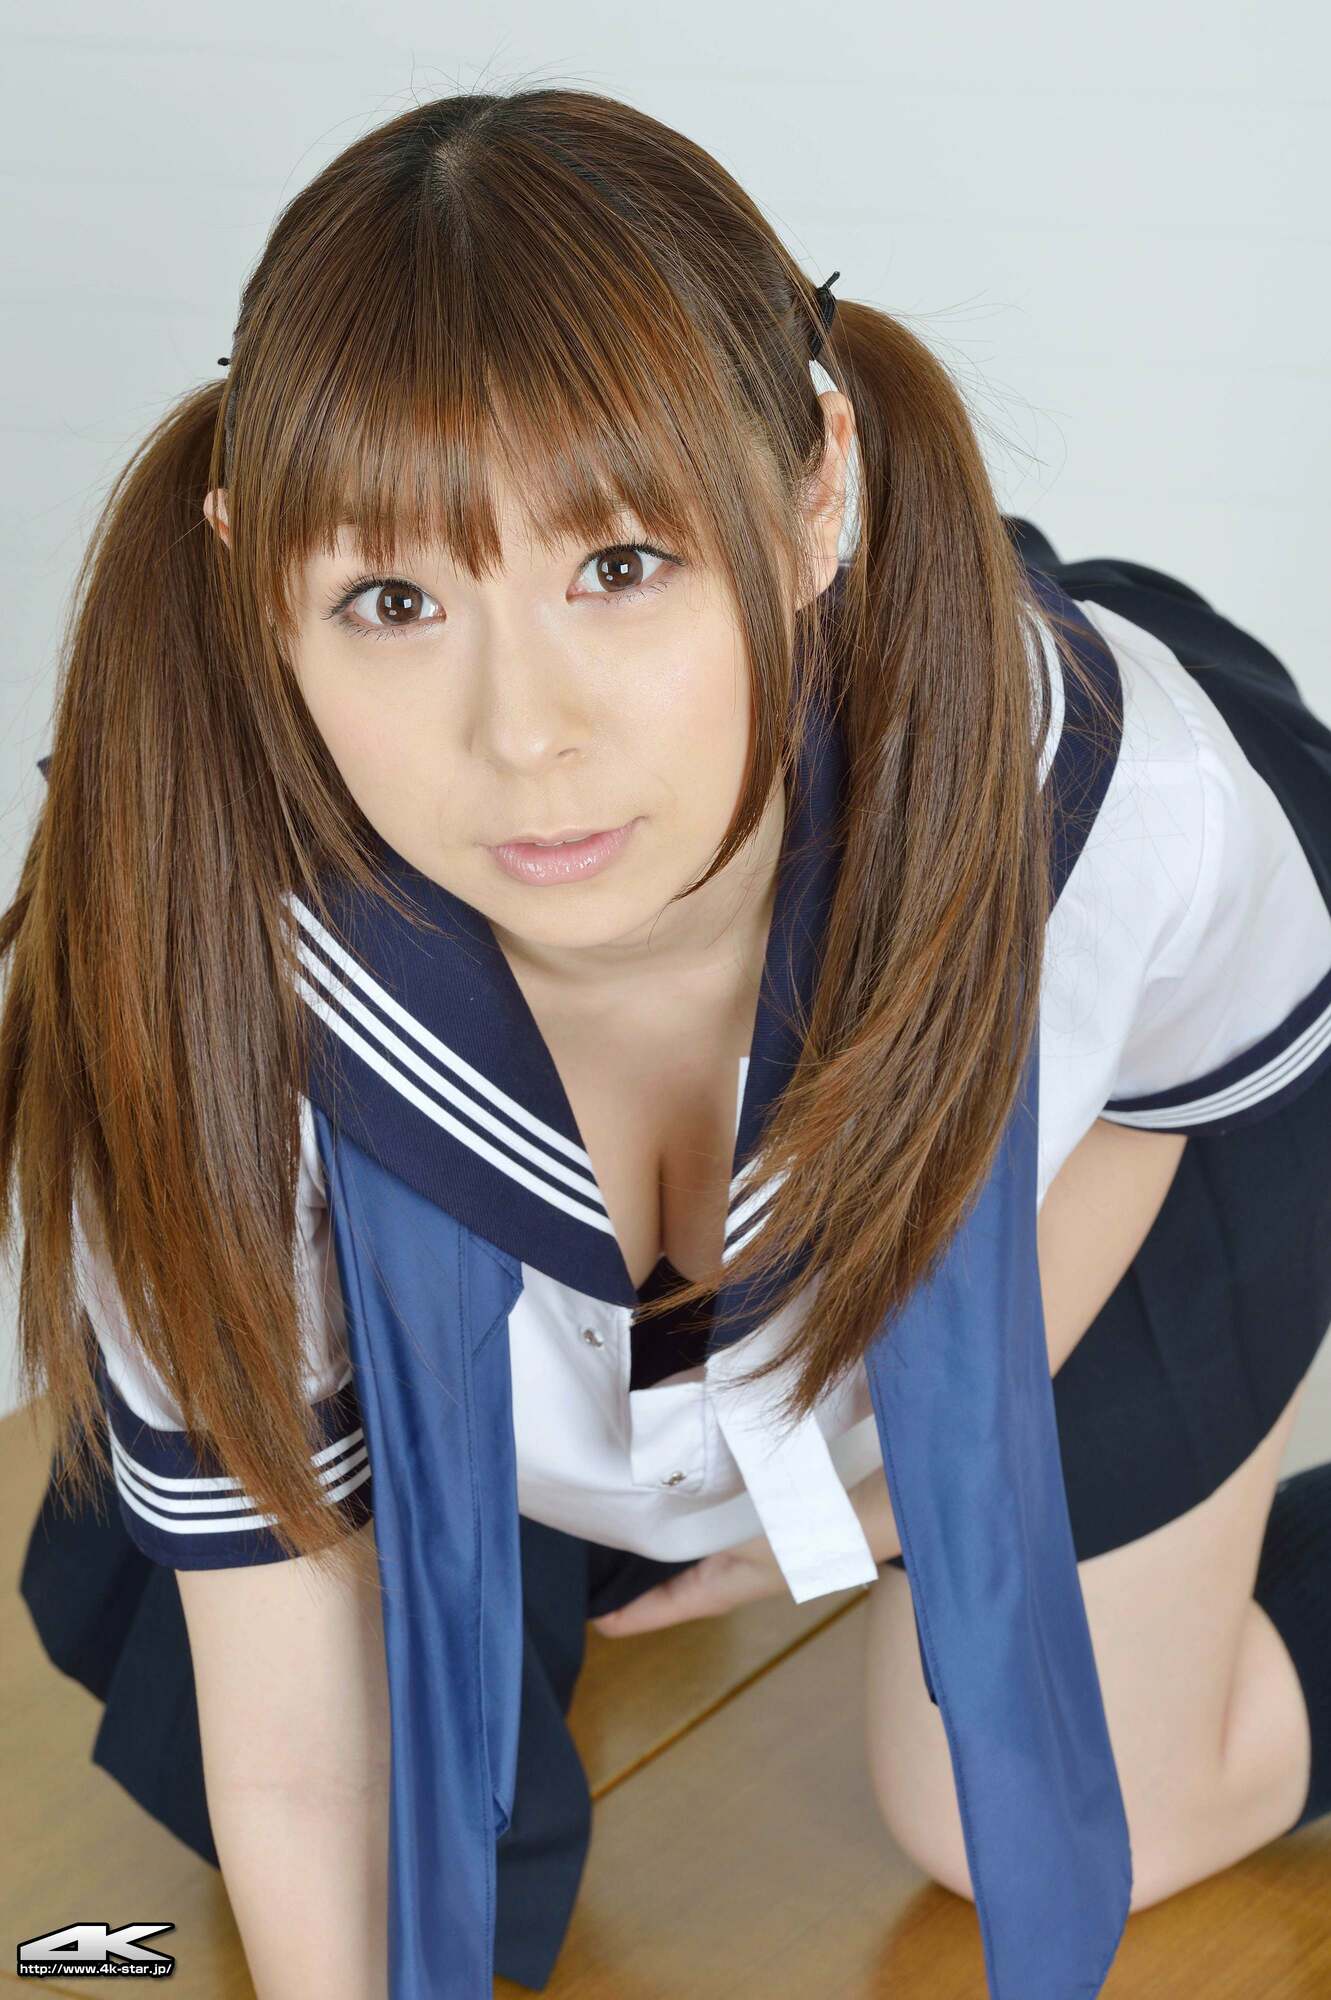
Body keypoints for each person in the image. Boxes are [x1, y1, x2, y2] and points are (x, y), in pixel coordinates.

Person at [7, 83, 1331, 2000]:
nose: (524, 734)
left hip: (1113, 1134)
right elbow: (295, 1757)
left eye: (619, 567)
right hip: (552, 1332)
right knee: (385, 1870)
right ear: (249, 580)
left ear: (815, 496)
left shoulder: (1106, 805)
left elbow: (1178, 1083)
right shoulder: (194, 973)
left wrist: (883, 1489)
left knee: (1025, 1811)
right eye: (392, 599)